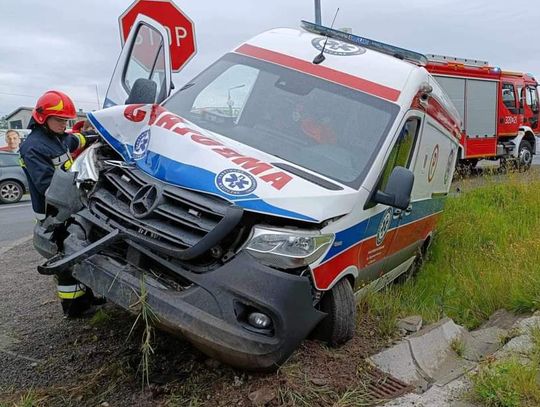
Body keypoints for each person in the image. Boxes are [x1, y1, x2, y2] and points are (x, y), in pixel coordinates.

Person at [19, 90, 97, 318]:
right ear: (43, 118)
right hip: (52, 212)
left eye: (67, 121)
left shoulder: (57, 137)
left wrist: (95, 136)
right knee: (65, 255)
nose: (65, 125)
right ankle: (74, 308)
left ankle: (87, 298)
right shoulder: (33, 147)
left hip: (68, 205)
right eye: (60, 120)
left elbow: (77, 139)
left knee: (79, 250)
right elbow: (46, 186)